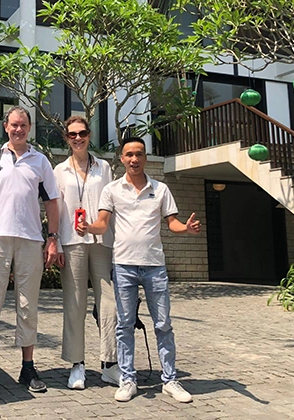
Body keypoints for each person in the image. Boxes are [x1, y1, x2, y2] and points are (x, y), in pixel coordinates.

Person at [77, 136, 200, 403]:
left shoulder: (161, 189)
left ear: (145, 158)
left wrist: (186, 229)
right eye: (129, 154)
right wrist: (88, 228)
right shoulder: (112, 189)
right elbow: (102, 223)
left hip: (155, 266)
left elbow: (173, 223)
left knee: (163, 324)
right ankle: (128, 379)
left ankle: (170, 380)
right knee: (124, 325)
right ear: (122, 158)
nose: (134, 159)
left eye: (139, 154)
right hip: (124, 266)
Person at [0, 106, 60, 395]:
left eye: (23, 125)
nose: (18, 129)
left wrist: (53, 238)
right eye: (14, 125)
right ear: (6, 126)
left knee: (27, 305)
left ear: (29, 128)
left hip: (30, 239)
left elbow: (52, 202)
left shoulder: (40, 161)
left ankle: (28, 367)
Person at [53, 116, 120, 390]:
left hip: (102, 240)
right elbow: (56, 210)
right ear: (66, 138)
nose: (77, 138)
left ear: (89, 134)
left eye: (82, 133)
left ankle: (110, 364)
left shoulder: (103, 167)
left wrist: (118, 243)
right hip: (72, 242)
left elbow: (112, 205)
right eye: (72, 134)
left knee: (110, 304)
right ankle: (77, 364)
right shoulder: (59, 170)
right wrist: (56, 243)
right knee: (75, 303)